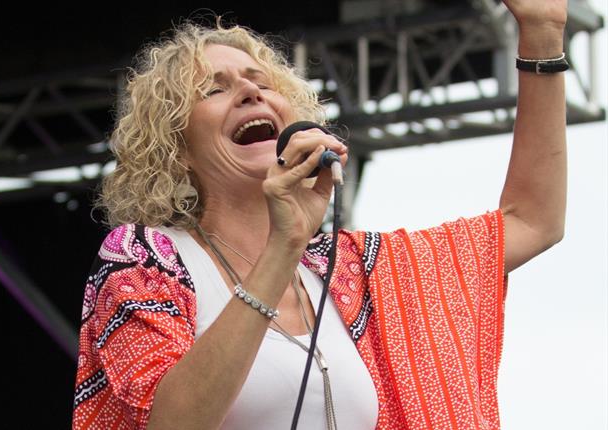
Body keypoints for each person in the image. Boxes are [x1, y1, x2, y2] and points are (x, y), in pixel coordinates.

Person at [72, 0, 568, 428]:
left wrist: (543, 34)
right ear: (176, 148)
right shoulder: (145, 257)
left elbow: (531, 221)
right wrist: (282, 246)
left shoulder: (351, 271)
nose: (250, 92)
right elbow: (174, 423)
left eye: (260, 81)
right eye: (214, 89)